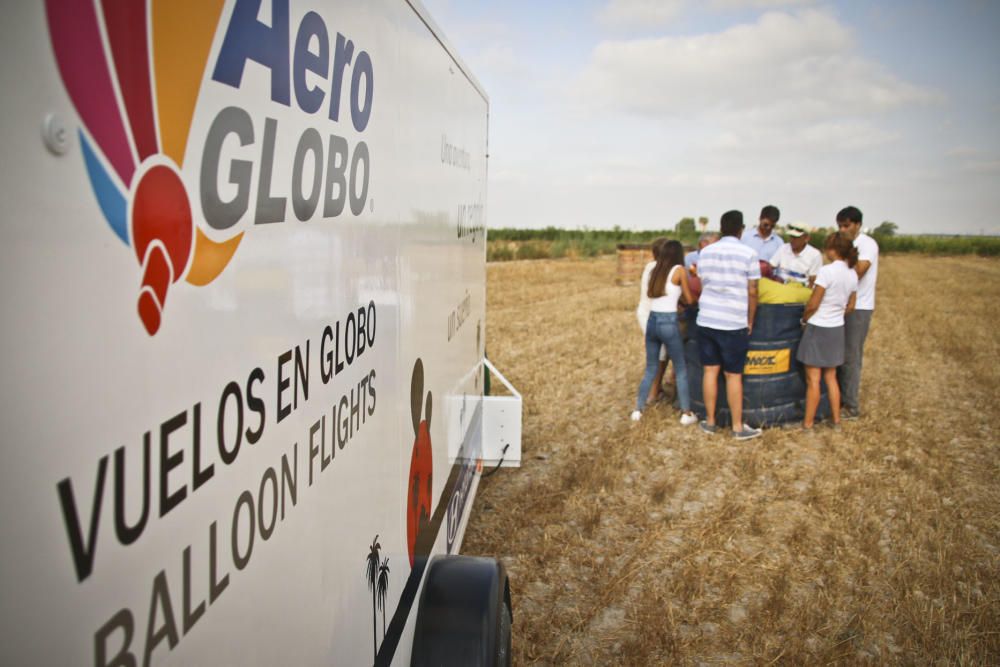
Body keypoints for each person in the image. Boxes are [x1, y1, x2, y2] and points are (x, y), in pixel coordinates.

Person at [696, 210, 762, 440]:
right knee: (733, 375)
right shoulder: (749, 253)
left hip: (707, 319)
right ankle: (737, 427)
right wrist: (750, 319)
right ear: (741, 229)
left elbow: (704, 283)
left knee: (710, 371)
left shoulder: (705, 253)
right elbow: (753, 291)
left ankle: (710, 422)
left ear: (721, 228)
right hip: (733, 322)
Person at [632, 240, 698, 425]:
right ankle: (686, 413)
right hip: (668, 322)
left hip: (653, 320)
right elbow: (689, 299)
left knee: (651, 367)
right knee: (681, 368)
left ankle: (638, 409)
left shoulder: (654, 269)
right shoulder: (678, 270)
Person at [798, 233, 859, 429]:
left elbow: (814, 302)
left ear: (833, 249)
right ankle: (836, 421)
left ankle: (808, 424)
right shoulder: (852, 273)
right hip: (836, 329)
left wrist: (805, 318)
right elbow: (851, 306)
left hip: (818, 327)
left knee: (813, 379)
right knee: (831, 377)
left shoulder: (826, 272)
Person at [834, 206, 879, 420]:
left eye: (846, 225)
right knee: (837, 356)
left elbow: (858, 272)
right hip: (840, 306)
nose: (842, 230)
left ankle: (851, 406)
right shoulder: (844, 244)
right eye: (840, 226)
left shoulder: (866, 244)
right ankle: (837, 401)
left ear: (858, 225)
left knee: (851, 357)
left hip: (859, 307)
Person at [636, 238, 669, 404]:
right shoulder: (659, 270)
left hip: (650, 313)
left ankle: (658, 387)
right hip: (652, 315)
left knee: (663, 352)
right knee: (660, 353)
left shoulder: (652, 266)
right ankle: (653, 393)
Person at [769, 222, 822, 287]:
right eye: (791, 236)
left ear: (806, 238)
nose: (792, 240)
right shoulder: (783, 248)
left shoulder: (815, 255)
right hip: (780, 287)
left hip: (801, 290)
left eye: (796, 237)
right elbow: (771, 266)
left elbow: (813, 280)